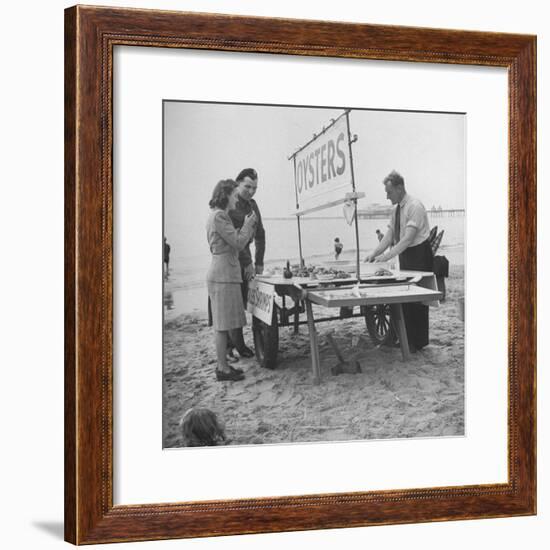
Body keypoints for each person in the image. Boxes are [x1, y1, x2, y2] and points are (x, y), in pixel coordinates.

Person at [365, 170, 433, 351]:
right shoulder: (395, 210)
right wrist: (373, 254)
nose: (387, 196)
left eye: (389, 192)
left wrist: (386, 257)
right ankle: (406, 339)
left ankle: (417, 342)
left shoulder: (414, 206)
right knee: (404, 296)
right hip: (406, 254)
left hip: (419, 253)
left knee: (417, 299)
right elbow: (389, 237)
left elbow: (407, 239)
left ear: (400, 188)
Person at [206, 179, 257, 381]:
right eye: (234, 195)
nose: (237, 199)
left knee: (223, 324)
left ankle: (223, 366)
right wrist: (247, 225)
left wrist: (244, 229)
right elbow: (237, 242)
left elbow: (232, 241)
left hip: (223, 273)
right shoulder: (219, 216)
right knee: (222, 325)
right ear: (226, 195)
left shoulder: (218, 216)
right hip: (223, 275)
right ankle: (223, 368)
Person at [227, 168, 265, 358]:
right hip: (231, 258)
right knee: (232, 304)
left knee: (243, 300)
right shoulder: (230, 205)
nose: (251, 191)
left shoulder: (253, 205)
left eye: (255, 188)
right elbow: (235, 242)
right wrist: (248, 263)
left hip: (247, 255)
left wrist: (259, 262)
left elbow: (260, 235)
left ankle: (236, 344)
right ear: (237, 183)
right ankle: (236, 345)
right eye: (247, 187)